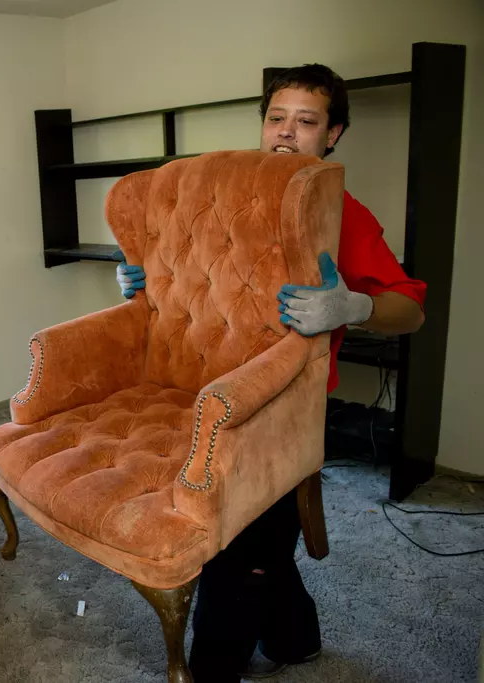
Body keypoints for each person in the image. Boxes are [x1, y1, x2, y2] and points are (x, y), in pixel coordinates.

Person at [116, 64, 426, 682]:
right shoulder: (224, 199)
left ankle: (214, 669)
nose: (286, 132)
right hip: (206, 395)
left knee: (235, 556)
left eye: (306, 122)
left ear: (332, 135)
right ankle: (294, 640)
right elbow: (182, 274)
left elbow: (410, 310)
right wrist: (143, 283)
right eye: (276, 118)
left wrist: (355, 307)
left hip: (283, 409)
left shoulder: (342, 214)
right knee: (251, 541)